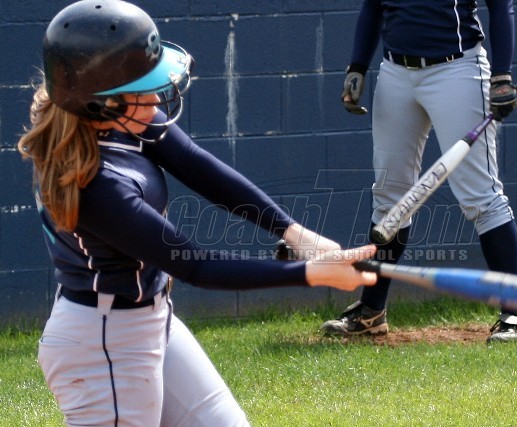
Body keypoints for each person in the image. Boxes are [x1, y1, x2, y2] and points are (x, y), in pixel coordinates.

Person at [18, 1, 377, 426]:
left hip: (151, 319)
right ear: (101, 103)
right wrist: (313, 274)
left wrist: (296, 234)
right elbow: (195, 265)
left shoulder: (122, 121)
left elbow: (198, 167)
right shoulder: (95, 185)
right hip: (103, 344)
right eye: (142, 87)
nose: (156, 98)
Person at [321, 0, 517, 343]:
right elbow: (373, 6)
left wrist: (502, 75)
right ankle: (371, 311)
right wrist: (357, 65)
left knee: (481, 197)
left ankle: (515, 316)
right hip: (395, 72)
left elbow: (500, 5)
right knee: (390, 198)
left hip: (457, 70)